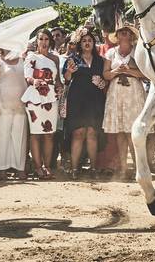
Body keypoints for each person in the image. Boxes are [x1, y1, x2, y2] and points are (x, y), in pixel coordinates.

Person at [101, 26, 147, 181]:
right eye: (121, 31)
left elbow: (144, 73)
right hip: (117, 93)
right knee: (120, 132)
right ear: (117, 35)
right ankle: (123, 168)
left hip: (134, 93)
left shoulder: (138, 51)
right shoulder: (111, 53)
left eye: (127, 31)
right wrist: (117, 72)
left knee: (133, 132)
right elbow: (106, 75)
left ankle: (138, 168)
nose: (124, 33)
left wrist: (128, 71)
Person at [62, 28, 106, 178]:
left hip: (95, 101)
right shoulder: (72, 59)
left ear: (94, 43)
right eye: (84, 41)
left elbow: (105, 79)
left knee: (93, 133)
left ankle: (93, 169)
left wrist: (102, 83)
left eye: (90, 41)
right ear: (80, 44)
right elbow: (66, 80)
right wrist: (69, 72)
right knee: (78, 133)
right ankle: (75, 169)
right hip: (77, 101)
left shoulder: (101, 61)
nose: (87, 43)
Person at [22, 29, 62, 179]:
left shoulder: (55, 58)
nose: (44, 42)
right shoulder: (31, 56)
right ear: (37, 41)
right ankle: (38, 167)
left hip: (51, 98)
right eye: (41, 39)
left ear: (50, 41)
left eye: (46, 39)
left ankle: (47, 166)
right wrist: (35, 81)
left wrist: (59, 86)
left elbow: (57, 79)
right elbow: (27, 76)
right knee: (35, 134)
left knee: (49, 134)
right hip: (35, 97)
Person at [0, 49, 29, 179]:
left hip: (21, 106)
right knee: (1, 138)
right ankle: (1, 169)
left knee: (20, 138)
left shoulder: (23, 60)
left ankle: (20, 168)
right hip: (2, 105)